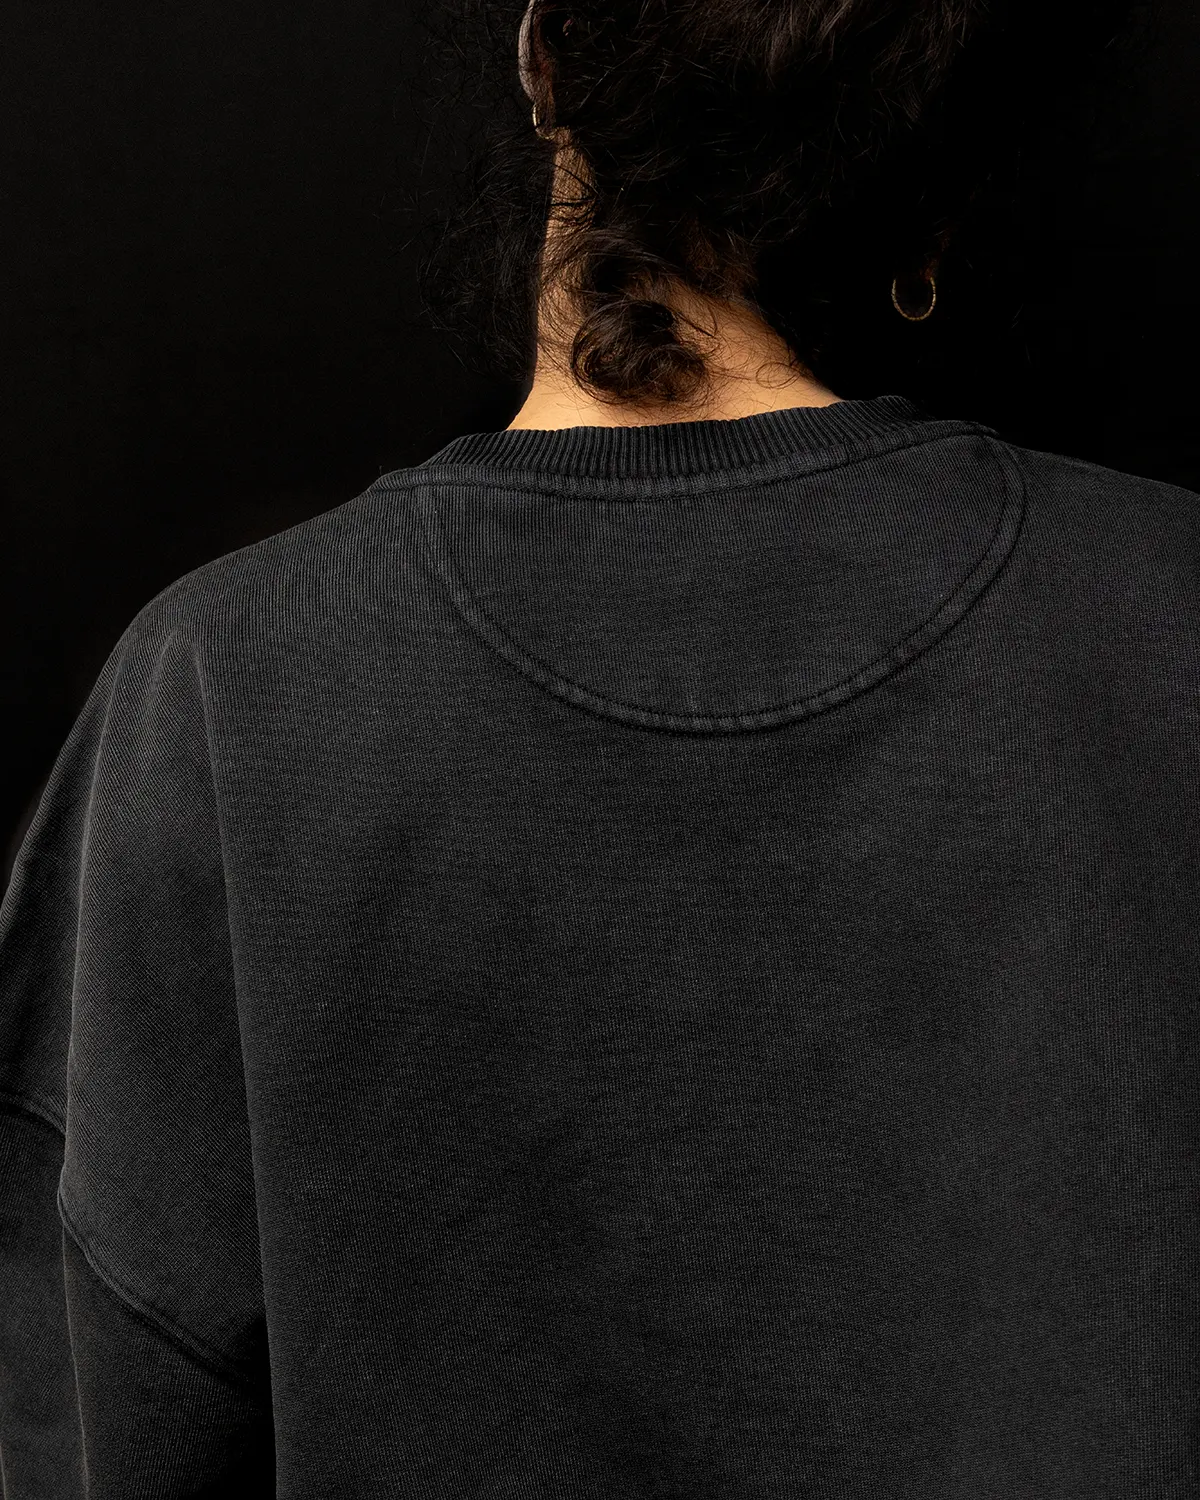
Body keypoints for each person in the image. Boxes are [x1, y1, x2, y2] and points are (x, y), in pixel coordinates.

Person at [0, 1, 1193, 1496]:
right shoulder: (1167, 613)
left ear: (543, 56)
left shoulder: (222, 686)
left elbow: (95, 1417)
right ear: (927, 156)